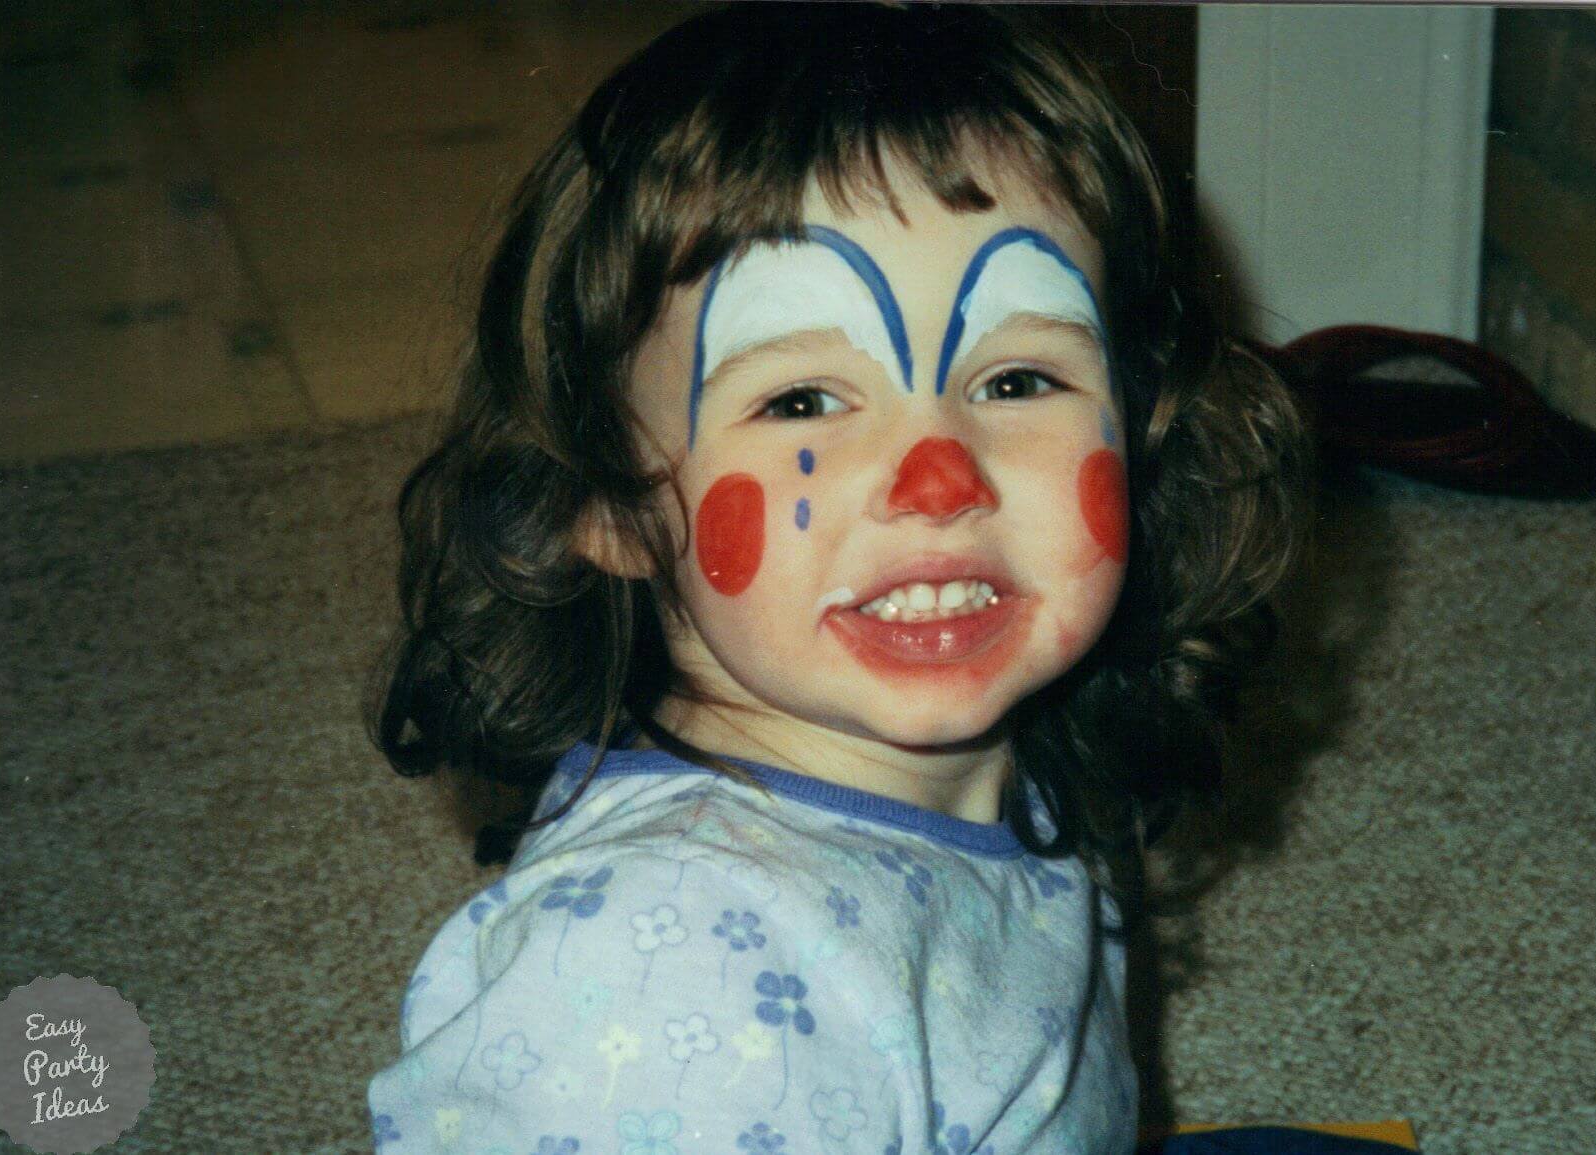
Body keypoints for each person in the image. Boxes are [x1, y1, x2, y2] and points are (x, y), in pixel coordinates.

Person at [365, 4, 1313, 1152]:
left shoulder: (1014, 742)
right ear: (603, 505)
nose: (937, 479)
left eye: (1017, 379)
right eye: (802, 401)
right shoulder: (669, 979)